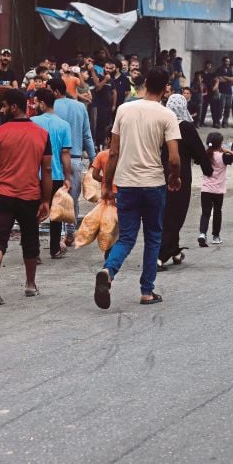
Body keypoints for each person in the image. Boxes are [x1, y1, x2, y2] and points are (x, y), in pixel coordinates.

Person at [94, 68, 181, 309]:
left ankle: (108, 272)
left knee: (127, 238)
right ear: (165, 88)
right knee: (153, 237)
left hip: (126, 184)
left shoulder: (124, 110)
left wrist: (107, 185)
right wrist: (175, 177)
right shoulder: (167, 115)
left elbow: (113, 151)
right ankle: (146, 291)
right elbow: (174, 158)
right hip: (153, 184)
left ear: (143, 84)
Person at [0, 88, 52, 306]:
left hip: (2, 194)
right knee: (30, 240)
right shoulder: (41, 134)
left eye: (3, 105)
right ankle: (30, 284)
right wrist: (46, 200)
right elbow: (47, 170)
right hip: (30, 196)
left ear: (13, 107)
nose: (1, 109)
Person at [159, 94, 211, 266]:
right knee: (177, 213)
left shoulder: (161, 124)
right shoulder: (185, 127)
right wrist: (208, 170)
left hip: (158, 174)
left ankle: (173, 250)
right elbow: (199, 152)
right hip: (179, 176)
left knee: (165, 213)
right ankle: (161, 255)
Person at [48, 78, 96, 247]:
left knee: (54, 197)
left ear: (55, 92)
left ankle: (59, 235)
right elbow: (87, 135)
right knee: (71, 199)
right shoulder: (80, 107)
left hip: (52, 160)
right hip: (75, 158)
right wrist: (94, 160)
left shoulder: (50, 108)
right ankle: (69, 233)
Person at [31, 88, 73, 260]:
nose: (34, 105)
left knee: (33, 213)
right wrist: (67, 176)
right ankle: (55, 248)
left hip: (34, 174)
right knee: (55, 213)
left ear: (42, 103)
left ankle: (34, 251)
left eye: (35, 102)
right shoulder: (64, 125)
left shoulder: (32, 122)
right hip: (55, 175)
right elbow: (65, 153)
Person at [198, 132, 233, 247]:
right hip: (218, 191)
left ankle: (202, 233)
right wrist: (227, 150)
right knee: (217, 212)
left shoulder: (205, 155)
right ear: (220, 144)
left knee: (205, 213)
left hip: (206, 189)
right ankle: (216, 237)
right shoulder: (224, 156)